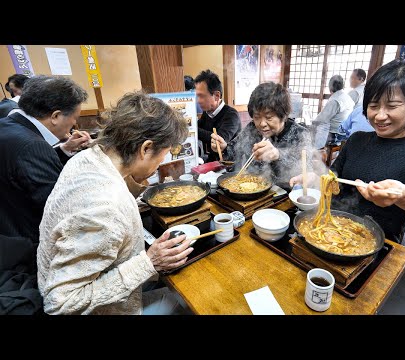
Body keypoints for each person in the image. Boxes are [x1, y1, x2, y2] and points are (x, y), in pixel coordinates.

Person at [37, 91, 192, 315]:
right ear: (146, 148)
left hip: (68, 276)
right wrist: (149, 262)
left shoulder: (87, 157)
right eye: (163, 155)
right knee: (185, 300)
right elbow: (61, 304)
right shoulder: (105, 207)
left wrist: (138, 177)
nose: (161, 164)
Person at [290, 59, 405, 243]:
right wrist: (317, 177)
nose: (380, 115)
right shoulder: (356, 140)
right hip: (325, 230)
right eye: (374, 106)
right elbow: (334, 176)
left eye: (392, 106)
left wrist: (404, 196)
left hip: (377, 245)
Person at [0, 75, 90, 314]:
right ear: (56, 115)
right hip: (24, 248)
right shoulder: (32, 147)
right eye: (73, 119)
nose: (74, 125)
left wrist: (63, 149)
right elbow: (60, 208)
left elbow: (21, 174)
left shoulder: (8, 126)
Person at [211, 82, 313, 188]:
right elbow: (233, 153)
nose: (262, 124)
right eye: (257, 117)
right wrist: (223, 148)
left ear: (283, 115)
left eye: (269, 117)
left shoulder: (300, 134)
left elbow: (307, 172)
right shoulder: (252, 128)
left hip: (284, 196)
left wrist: (278, 155)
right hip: (250, 190)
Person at [195, 69, 241, 162]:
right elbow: (199, 126)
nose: (198, 101)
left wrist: (192, 129)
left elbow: (217, 141)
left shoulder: (232, 115)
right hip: (213, 161)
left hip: (230, 164)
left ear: (216, 95)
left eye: (202, 96)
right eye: (197, 96)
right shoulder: (207, 112)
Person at [312, 75, 354, 149]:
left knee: (313, 135)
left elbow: (322, 119)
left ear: (330, 86)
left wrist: (311, 125)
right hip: (345, 133)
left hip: (335, 135)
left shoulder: (335, 100)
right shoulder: (347, 97)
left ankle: (318, 154)